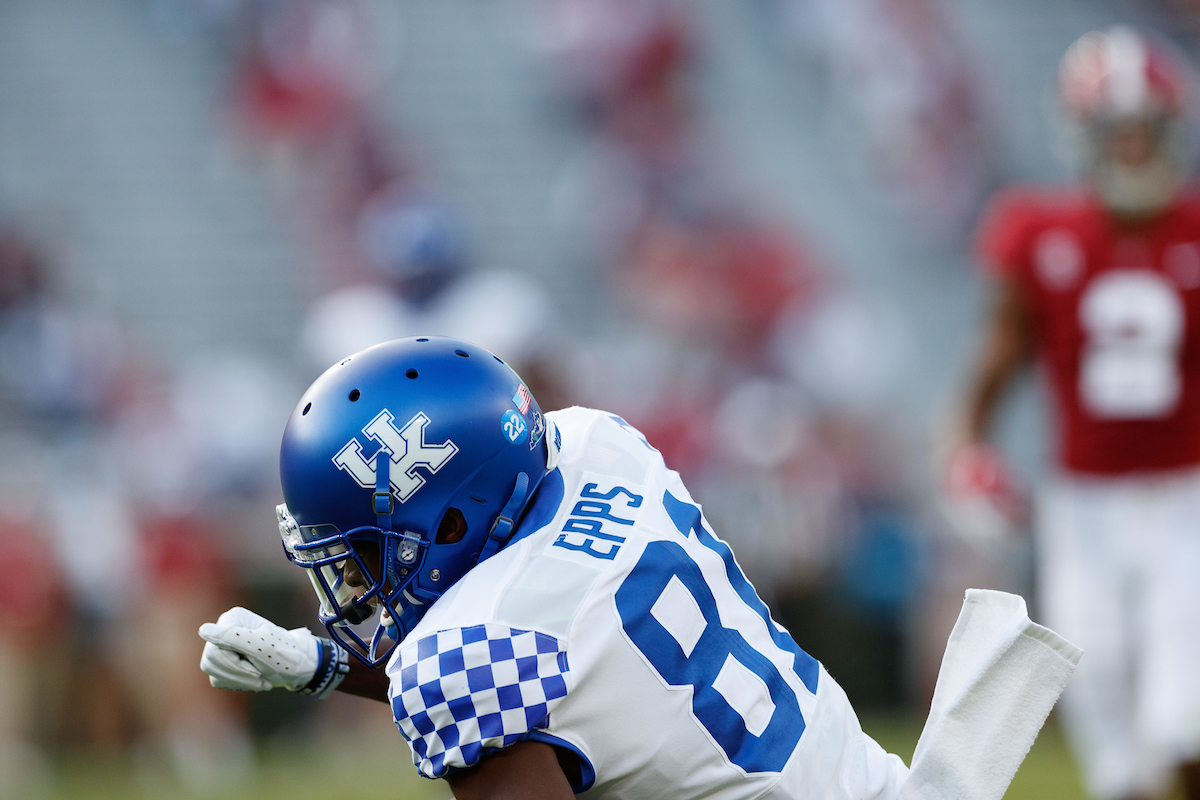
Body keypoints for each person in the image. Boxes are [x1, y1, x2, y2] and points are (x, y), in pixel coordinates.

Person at [200, 335, 1078, 799]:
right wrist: (325, 666)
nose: (348, 587)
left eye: (360, 556)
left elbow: (508, 667)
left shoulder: (465, 663)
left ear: (446, 517)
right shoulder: (593, 444)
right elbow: (569, 661)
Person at [950, 26, 1200, 800]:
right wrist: (965, 454)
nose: (1130, 151)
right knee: (1113, 749)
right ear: (1083, 136)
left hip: (1188, 498)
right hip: (1081, 509)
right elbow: (993, 368)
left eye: (1144, 134)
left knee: (1184, 727)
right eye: (1115, 134)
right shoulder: (1037, 232)